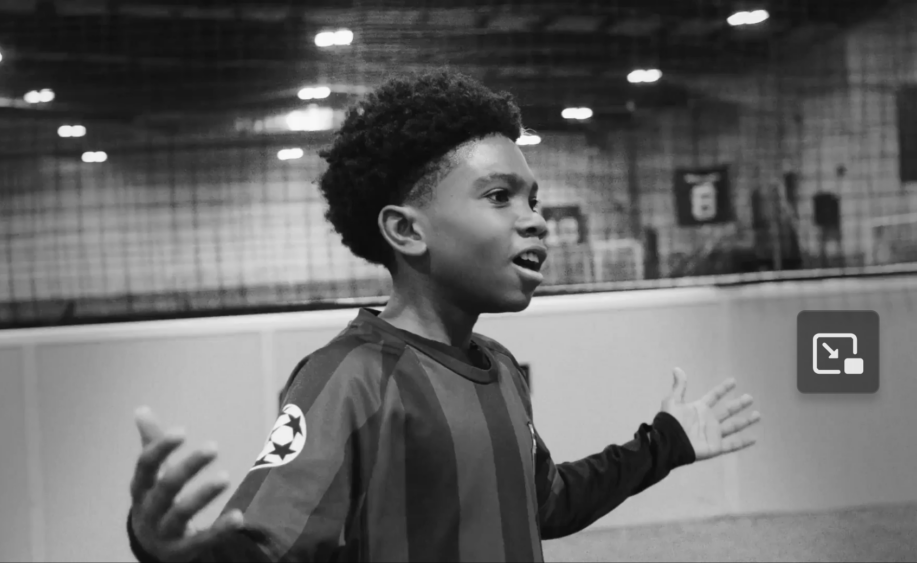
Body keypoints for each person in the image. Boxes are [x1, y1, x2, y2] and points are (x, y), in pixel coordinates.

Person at [126, 70, 761, 563]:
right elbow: (263, 543)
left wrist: (664, 443)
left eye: (534, 199)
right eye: (499, 196)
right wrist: (161, 548)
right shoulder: (351, 377)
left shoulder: (500, 367)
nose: (536, 219)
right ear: (406, 231)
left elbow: (544, 502)